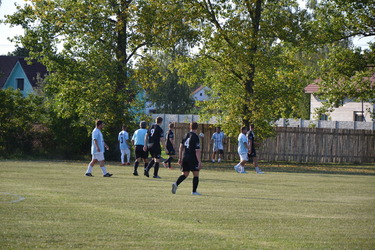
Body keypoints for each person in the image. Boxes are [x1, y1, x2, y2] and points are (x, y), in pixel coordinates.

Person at [171, 122, 202, 195]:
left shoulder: (185, 135)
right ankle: (194, 191)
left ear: (190, 127)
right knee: (196, 174)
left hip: (185, 156)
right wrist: (199, 161)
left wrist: (180, 158)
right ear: (196, 128)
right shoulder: (195, 137)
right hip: (192, 157)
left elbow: (181, 147)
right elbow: (197, 150)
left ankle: (176, 184)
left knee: (185, 174)